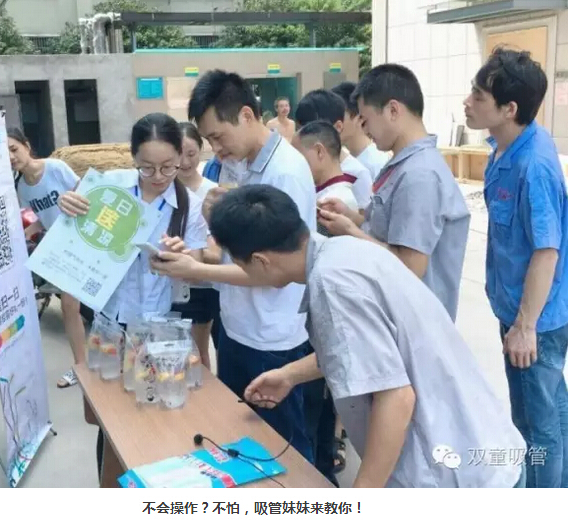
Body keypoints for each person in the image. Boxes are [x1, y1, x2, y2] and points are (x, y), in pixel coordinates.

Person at [208, 183, 527, 488]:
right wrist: (290, 375)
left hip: (456, 476)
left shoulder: (333, 284)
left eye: (241, 265)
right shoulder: (346, 250)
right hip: (483, 447)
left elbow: (396, 398)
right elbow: (364, 349)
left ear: (261, 260)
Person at [150, 69, 319, 469]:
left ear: (245, 115)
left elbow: (276, 273)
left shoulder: (285, 173)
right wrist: (195, 252)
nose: (216, 149)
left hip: (272, 337)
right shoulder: (236, 165)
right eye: (209, 140)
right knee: (241, 442)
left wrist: (196, 270)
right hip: (238, 328)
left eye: (218, 137)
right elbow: (234, 251)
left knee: (285, 450)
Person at [57, 113, 209, 478]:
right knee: (111, 423)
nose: (158, 176)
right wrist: (68, 204)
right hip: (109, 325)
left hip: (157, 331)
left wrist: (184, 256)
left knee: (154, 418)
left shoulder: (188, 205)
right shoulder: (110, 187)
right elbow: (74, 225)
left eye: (168, 167)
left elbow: (200, 262)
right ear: (133, 157)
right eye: (147, 167)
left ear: (181, 156)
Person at [464, 48, 568, 488]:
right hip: (517, 308)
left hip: (536, 320)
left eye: (478, 96)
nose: (467, 102)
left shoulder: (533, 165)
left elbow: (547, 252)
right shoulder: (504, 147)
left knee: (535, 424)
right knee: (551, 410)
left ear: (509, 109)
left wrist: (525, 327)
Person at [319, 64, 470, 321]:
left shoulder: (419, 175)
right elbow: (389, 231)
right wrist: (352, 218)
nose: (364, 129)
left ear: (392, 110)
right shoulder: (403, 164)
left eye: (366, 120)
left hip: (415, 323)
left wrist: (351, 231)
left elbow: (410, 267)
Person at [9, 128, 85, 389]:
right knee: (69, 308)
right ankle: (81, 367)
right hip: (62, 250)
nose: (11, 157)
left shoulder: (55, 168)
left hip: (86, 242)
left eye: (13, 149)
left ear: (26, 146)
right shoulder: (22, 188)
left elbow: (85, 194)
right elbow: (44, 217)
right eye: (4, 154)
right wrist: (26, 233)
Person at [170, 122, 222, 369]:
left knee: (198, 353)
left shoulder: (214, 193)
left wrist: (194, 251)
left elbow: (220, 251)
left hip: (206, 285)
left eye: (191, 154)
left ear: (201, 150)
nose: (185, 162)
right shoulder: (166, 190)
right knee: (180, 353)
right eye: (179, 155)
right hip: (174, 285)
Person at [294, 89, 372, 211]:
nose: (305, 135)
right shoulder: (305, 167)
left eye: (313, 129)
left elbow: (364, 218)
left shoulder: (358, 174)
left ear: (338, 127)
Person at [292, 121, 357, 233]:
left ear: (319, 152)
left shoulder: (335, 202)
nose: (294, 163)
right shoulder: (327, 192)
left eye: (298, 156)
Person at [331, 81, 390, 181]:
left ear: (359, 118)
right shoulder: (343, 160)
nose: (332, 123)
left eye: (338, 116)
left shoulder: (377, 163)